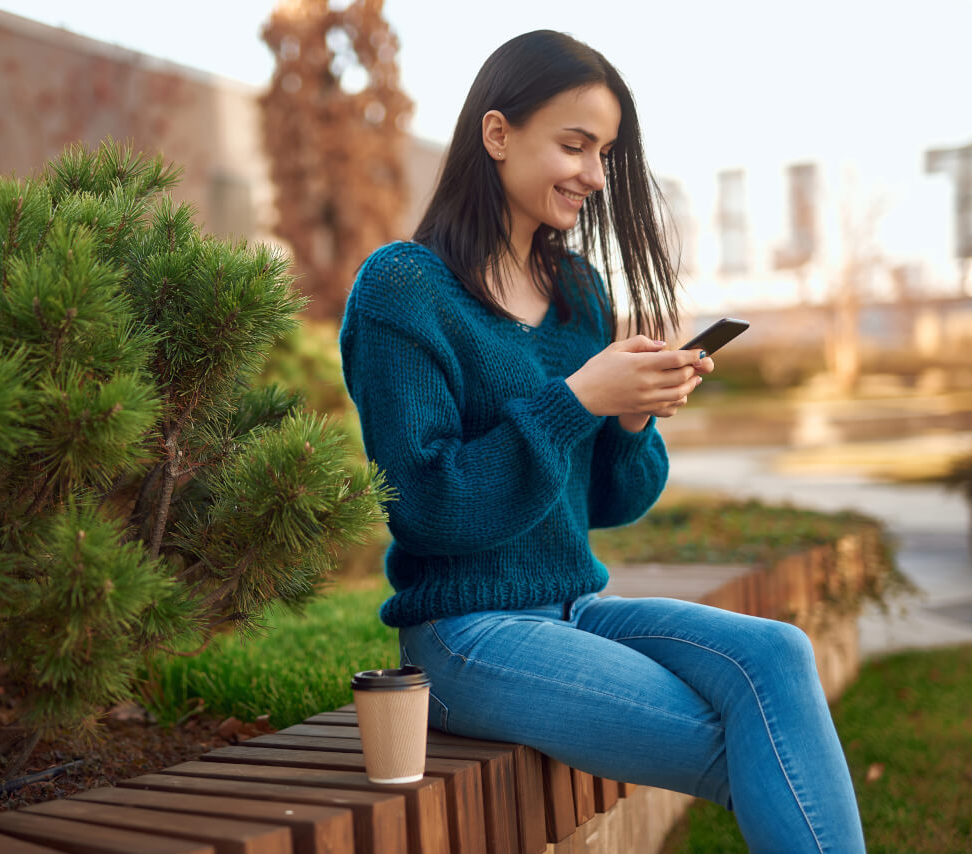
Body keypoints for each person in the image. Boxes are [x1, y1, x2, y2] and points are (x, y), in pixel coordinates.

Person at [338, 30, 865, 854]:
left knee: (776, 651)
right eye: (574, 144)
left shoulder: (576, 289)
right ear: (497, 134)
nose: (592, 173)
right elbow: (429, 507)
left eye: (605, 152)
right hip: (464, 634)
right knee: (763, 746)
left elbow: (613, 502)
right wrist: (576, 398)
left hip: (577, 605)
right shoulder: (404, 288)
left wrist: (627, 420)